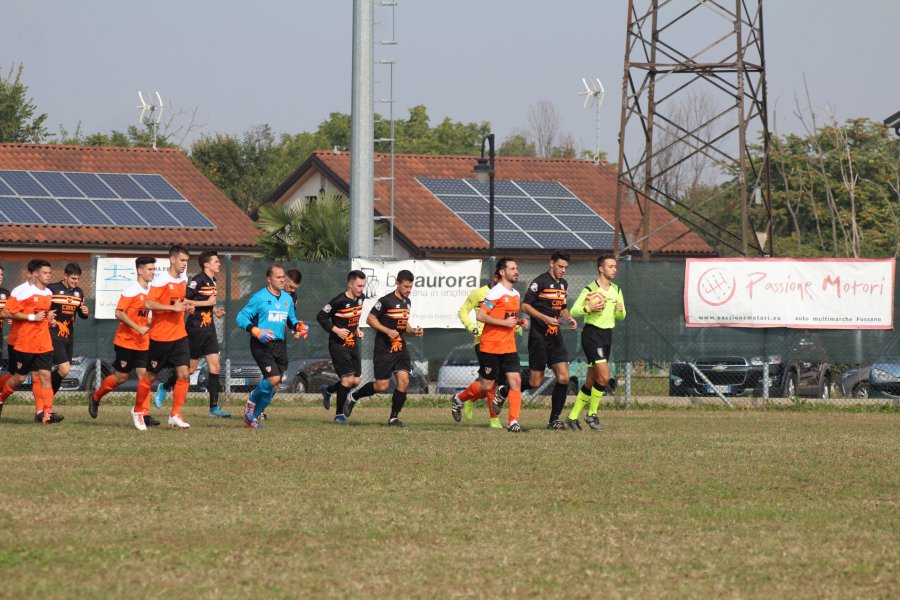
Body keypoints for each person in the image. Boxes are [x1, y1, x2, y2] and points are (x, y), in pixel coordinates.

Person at [343, 270, 423, 427]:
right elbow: (370, 319)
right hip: (384, 349)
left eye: (410, 287)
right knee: (382, 386)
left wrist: (413, 331)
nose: (408, 290)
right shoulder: (386, 301)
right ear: (397, 283)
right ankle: (354, 397)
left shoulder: (407, 302)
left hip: (400, 348)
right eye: (406, 287)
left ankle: (393, 418)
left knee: (404, 381)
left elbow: (403, 322)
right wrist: (387, 331)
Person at [154, 250, 229, 417]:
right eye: (216, 261)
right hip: (196, 330)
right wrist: (207, 303)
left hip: (209, 329)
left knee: (215, 366)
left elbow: (205, 303)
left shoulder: (213, 280)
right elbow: (184, 300)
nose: (219, 264)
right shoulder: (197, 280)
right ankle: (164, 386)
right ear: (206, 264)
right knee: (190, 370)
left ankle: (213, 409)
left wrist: (214, 310)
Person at [235, 264, 308, 429]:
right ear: (269, 279)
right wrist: (256, 331)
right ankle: (251, 400)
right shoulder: (259, 297)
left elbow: (291, 320)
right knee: (273, 378)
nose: (282, 280)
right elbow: (241, 318)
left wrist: (299, 327)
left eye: (283, 277)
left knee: (275, 385)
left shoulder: (287, 299)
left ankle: (252, 419)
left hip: (280, 345)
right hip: (262, 344)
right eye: (278, 277)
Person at [131, 245, 194, 430]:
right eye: (182, 260)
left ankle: (175, 414)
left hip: (179, 335)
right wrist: (172, 308)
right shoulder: (161, 280)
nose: (184, 264)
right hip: (160, 337)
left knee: (184, 374)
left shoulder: (184, 279)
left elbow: (178, 302)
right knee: (150, 376)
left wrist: (186, 307)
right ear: (172, 260)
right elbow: (148, 303)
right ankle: (137, 410)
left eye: (186, 261)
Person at [89, 257, 157, 424]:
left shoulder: (151, 293)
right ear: (140, 270)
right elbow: (119, 313)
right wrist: (138, 327)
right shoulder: (131, 291)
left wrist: (151, 324)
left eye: (154, 269)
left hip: (142, 343)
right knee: (120, 377)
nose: (153, 272)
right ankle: (96, 396)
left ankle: (143, 413)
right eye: (150, 269)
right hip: (126, 342)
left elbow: (144, 316)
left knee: (145, 377)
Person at [567, 255, 626, 431]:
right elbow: (574, 310)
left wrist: (619, 311)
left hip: (607, 335)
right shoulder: (590, 289)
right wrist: (589, 307)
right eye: (610, 266)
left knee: (590, 380)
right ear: (601, 268)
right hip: (592, 335)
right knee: (605, 377)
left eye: (615, 266)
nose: (614, 269)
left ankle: (572, 418)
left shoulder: (616, 289)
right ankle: (591, 414)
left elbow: (621, 316)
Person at [520, 251, 577, 430]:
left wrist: (569, 318)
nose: (563, 270)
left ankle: (554, 420)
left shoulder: (563, 284)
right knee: (535, 382)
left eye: (566, 267)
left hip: (555, 337)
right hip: (539, 338)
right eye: (560, 266)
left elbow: (562, 308)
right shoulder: (540, 281)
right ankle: (506, 388)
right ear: (551, 263)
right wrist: (545, 318)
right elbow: (525, 306)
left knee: (564, 377)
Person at [0, 259, 60, 424]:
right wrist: (32, 317)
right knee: (19, 378)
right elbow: (5, 312)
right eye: (45, 273)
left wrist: (49, 320)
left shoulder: (48, 293)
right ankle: (1, 397)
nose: (48, 276)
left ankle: (46, 414)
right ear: (35, 274)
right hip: (23, 342)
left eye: (49, 273)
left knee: (45, 376)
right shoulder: (22, 292)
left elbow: (43, 315)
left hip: (43, 343)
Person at [476, 257, 529, 433]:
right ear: (502, 272)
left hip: (508, 346)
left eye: (517, 268)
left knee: (516, 381)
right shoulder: (495, 292)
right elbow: (481, 316)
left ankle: (513, 422)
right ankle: (461, 397)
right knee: (486, 386)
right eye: (512, 269)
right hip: (491, 345)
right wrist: (504, 323)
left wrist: (519, 321)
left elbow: (508, 317)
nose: (516, 271)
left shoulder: (516, 294)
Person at [450, 271, 504, 429]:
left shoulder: (505, 294)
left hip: (501, 342)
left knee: (491, 382)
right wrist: (471, 326)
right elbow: (463, 310)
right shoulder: (479, 293)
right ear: (495, 278)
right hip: (483, 341)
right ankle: (494, 419)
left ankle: (466, 398)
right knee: (492, 383)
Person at [316, 270, 366, 423]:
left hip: (352, 343)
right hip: (338, 345)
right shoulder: (338, 301)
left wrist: (357, 329)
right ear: (350, 284)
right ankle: (339, 415)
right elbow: (321, 316)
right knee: (347, 380)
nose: (361, 289)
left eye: (363, 286)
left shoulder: (361, 298)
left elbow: (354, 317)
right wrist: (336, 330)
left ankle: (328, 390)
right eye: (359, 286)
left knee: (355, 381)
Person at [48, 263, 90, 395]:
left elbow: (81, 314)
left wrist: (85, 312)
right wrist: (47, 315)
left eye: (78, 279)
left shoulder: (79, 292)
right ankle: (44, 390)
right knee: (64, 369)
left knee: (63, 371)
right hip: (53, 334)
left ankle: (47, 399)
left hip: (68, 336)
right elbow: (41, 308)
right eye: (73, 278)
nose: (75, 281)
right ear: (65, 276)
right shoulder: (52, 289)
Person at [0, 265, 10, 370]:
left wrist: (10, 317)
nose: (0, 277)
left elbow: (9, 312)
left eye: (1, 274)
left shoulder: (5, 293)